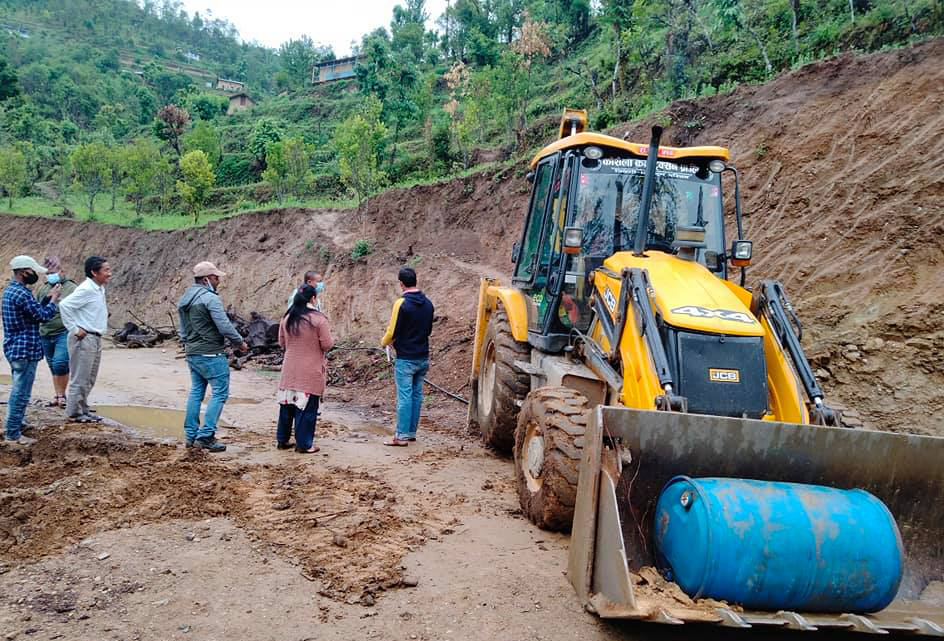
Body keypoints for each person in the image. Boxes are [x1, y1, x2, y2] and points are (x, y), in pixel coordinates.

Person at [177, 261, 248, 452]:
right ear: (207, 279)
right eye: (216, 278)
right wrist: (239, 342)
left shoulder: (185, 299)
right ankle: (206, 435)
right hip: (211, 353)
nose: (219, 281)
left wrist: (187, 345)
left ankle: (191, 435)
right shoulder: (210, 298)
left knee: (196, 392)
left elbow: (182, 330)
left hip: (192, 353)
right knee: (220, 393)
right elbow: (224, 325)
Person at [2, 255, 61, 444]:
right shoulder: (22, 294)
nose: (34, 275)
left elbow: (31, 312)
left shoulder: (11, 292)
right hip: (25, 349)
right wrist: (53, 301)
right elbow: (41, 316)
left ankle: (15, 423)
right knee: (21, 392)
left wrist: (45, 300)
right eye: (32, 271)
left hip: (15, 347)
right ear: (23, 272)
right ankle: (13, 433)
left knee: (19, 389)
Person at [379, 267, 434, 447]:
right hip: (423, 356)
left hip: (405, 358)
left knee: (405, 396)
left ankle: (400, 436)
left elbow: (392, 330)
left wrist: (384, 342)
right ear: (416, 281)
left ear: (401, 284)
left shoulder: (401, 303)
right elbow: (428, 331)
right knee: (416, 395)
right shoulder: (428, 304)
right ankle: (410, 432)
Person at [277, 284, 334, 453]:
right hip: (310, 370)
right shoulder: (318, 319)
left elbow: (282, 343)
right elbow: (327, 344)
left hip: (289, 369)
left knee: (287, 407)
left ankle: (282, 440)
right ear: (313, 299)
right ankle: (304, 444)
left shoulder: (287, 317)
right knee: (307, 410)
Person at [58, 256, 111, 424]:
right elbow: (64, 305)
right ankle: (74, 412)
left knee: (89, 377)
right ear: (94, 273)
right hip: (84, 337)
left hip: (94, 337)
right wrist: (74, 329)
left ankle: (83, 409)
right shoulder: (86, 289)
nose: (109, 274)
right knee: (80, 377)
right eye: (106, 270)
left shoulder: (98, 288)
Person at [34, 256, 77, 408]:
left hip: (63, 331)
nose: (51, 275)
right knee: (53, 365)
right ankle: (59, 394)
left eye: (54, 271)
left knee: (60, 363)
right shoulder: (44, 288)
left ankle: (61, 395)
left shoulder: (71, 288)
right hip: (45, 332)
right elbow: (37, 308)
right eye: (48, 273)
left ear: (62, 271)